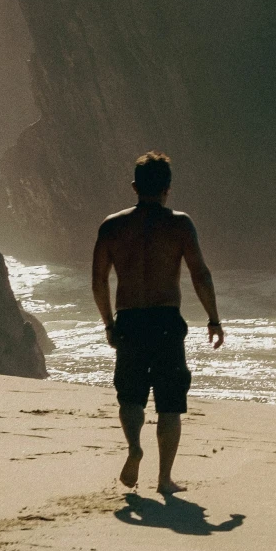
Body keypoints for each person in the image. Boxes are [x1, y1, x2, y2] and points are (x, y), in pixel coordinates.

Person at [91, 151, 224, 492]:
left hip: (130, 320)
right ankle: (164, 480)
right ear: (168, 188)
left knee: (131, 396)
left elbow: (98, 281)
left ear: (135, 186)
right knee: (169, 403)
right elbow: (201, 275)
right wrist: (213, 319)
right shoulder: (179, 224)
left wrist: (109, 323)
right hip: (166, 320)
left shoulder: (112, 226)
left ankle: (134, 446)